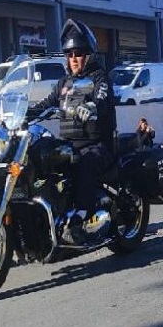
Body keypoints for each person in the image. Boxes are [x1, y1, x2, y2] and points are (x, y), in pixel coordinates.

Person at [33, 18, 116, 244]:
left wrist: (91, 107)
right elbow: (46, 103)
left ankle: (80, 219)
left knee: (86, 163)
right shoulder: (64, 83)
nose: (73, 59)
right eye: (69, 54)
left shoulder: (99, 77)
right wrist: (23, 114)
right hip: (69, 144)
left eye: (77, 53)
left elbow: (102, 98)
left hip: (97, 144)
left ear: (88, 54)